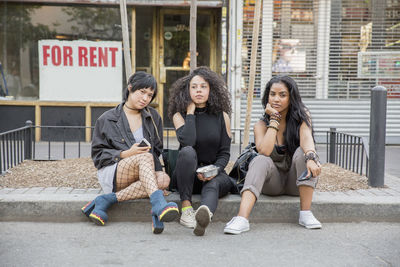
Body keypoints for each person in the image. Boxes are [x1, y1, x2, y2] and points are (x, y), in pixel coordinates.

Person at [81, 71, 179, 234]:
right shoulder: (107, 118)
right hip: (113, 171)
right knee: (144, 158)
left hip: (142, 172)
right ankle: (158, 205)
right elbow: (98, 156)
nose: (146, 98)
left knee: (164, 179)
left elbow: (156, 151)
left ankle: (106, 200)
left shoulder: (153, 117)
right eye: (142, 92)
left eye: (150, 95)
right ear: (130, 88)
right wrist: (126, 153)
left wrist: (157, 174)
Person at [224, 75, 322, 234]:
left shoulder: (301, 118)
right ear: (267, 97)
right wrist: (274, 119)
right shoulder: (260, 125)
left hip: (296, 182)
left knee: (302, 152)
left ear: (291, 98)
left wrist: (311, 157)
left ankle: (306, 213)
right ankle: (242, 218)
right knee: (260, 160)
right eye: (272, 94)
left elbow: (306, 138)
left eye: (282, 95)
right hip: (272, 185)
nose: (276, 99)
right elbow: (265, 151)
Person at [168, 66, 235, 236]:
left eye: (203, 86)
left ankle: (204, 215)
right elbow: (188, 142)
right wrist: (190, 113)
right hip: (186, 177)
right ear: (187, 90)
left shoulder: (222, 116)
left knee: (214, 184)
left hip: (212, 173)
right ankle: (187, 209)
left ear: (211, 89)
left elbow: (225, 152)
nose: (199, 90)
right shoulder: (179, 115)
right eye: (194, 87)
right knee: (188, 151)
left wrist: (216, 170)